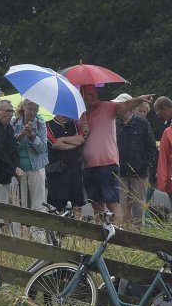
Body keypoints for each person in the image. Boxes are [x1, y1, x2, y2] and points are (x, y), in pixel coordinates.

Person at [78, 85, 153, 223]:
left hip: (108, 164)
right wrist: (83, 133)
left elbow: (125, 105)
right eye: (89, 94)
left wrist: (140, 99)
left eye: (95, 93)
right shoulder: (80, 115)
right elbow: (77, 140)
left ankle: (117, 238)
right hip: (88, 166)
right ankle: (101, 235)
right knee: (96, 204)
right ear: (81, 96)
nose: (94, 96)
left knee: (113, 203)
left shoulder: (107, 107)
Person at [113, 93, 156, 228]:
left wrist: (146, 165)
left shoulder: (142, 123)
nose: (117, 107)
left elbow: (151, 146)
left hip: (140, 172)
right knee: (121, 205)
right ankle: (122, 234)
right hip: (121, 171)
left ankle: (139, 236)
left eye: (120, 105)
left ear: (129, 106)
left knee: (138, 207)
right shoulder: (115, 124)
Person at [12, 99, 49, 241]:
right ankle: (18, 237)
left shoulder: (40, 123)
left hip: (37, 167)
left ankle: (39, 237)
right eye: (30, 108)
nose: (32, 112)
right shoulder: (14, 122)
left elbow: (43, 148)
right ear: (23, 108)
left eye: (35, 109)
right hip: (19, 169)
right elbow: (9, 145)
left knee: (38, 203)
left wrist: (33, 136)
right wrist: (21, 134)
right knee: (18, 203)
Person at [45, 114, 85, 213]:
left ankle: (77, 225)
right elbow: (55, 144)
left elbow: (81, 139)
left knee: (77, 201)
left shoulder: (74, 124)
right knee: (57, 203)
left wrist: (63, 139)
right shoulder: (47, 125)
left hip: (74, 169)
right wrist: (73, 144)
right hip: (57, 170)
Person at [0, 100, 20, 214]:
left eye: (12, 111)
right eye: (8, 111)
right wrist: (13, 168)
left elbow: (14, 149)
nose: (11, 114)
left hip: (7, 175)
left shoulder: (9, 128)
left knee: (6, 208)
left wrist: (17, 166)